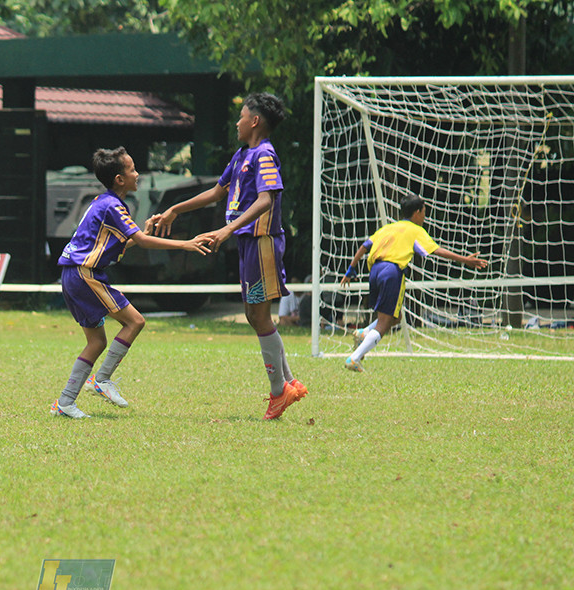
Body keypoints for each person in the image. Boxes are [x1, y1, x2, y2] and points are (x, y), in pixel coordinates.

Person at [151, 92, 307, 420]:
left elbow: (266, 200)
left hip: (262, 242)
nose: (237, 122)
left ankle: (279, 392)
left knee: (259, 317)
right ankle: (289, 383)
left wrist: (226, 230)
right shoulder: (241, 155)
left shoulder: (264, 154)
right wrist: (175, 209)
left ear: (255, 121)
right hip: (248, 243)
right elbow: (216, 192)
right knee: (254, 316)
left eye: (241, 116)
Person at [51, 147, 210, 418]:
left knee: (96, 342)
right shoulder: (112, 205)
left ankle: (65, 402)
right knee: (135, 322)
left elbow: (124, 245)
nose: (138, 175)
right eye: (133, 170)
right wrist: (186, 244)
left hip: (75, 274)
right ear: (119, 179)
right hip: (85, 274)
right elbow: (142, 242)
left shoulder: (104, 202)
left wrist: (142, 232)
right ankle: (102, 380)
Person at [340, 194, 488, 370]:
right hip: (392, 272)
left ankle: (364, 333)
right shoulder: (415, 230)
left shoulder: (388, 228)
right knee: (384, 323)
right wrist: (465, 260)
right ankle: (354, 358)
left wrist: (351, 269)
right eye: (424, 211)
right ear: (417, 212)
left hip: (375, 271)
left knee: (396, 317)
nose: (425, 216)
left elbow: (365, 246)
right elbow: (436, 250)